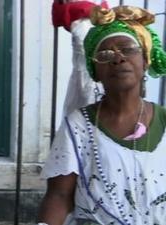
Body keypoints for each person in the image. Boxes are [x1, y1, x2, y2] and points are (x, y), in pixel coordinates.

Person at [38, 5, 166, 225]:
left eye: (128, 49)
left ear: (145, 60)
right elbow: (59, 195)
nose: (118, 59)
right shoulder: (78, 126)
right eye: (105, 54)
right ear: (94, 70)